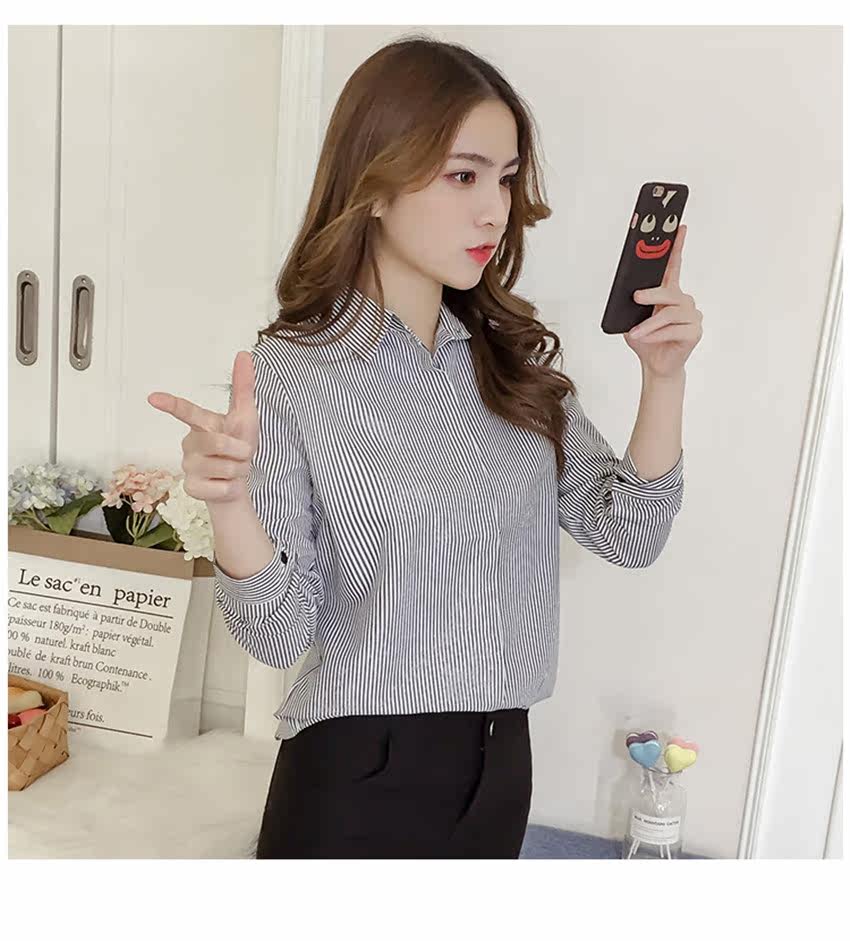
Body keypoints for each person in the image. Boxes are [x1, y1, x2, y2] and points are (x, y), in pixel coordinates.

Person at [148, 34, 695, 859]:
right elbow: (278, 635)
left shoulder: (513, 371)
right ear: (375, 182)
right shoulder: (291, 375)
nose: (495, 210)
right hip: (355, 776)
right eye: (463, 175)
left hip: (502, 764)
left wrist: (664, 378)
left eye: (506, 179)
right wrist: (229, 507)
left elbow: (631, 533)